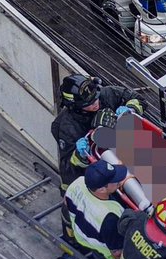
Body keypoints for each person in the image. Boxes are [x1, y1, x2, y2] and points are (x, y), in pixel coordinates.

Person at [52, 75, 142, 236]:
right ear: (75, 106)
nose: (96, 104)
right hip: (101, 172)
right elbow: (68, 167)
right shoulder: (66, 127)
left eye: (96, 99)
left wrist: (131, 110)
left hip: (124, 154)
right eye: (89, 104)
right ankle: (72, 240)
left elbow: (135, 97)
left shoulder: (106, 94)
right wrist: (81, 155)